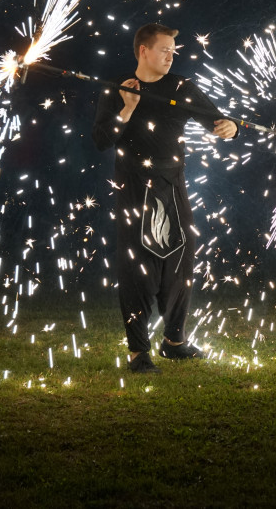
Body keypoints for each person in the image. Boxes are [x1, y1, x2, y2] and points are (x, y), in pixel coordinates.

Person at [92, 24, 237, 374]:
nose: (171, 56)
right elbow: (101, 140)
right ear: (143, 51)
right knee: (137, 268)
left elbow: (215, 119)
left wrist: (227, 126)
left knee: (180, 261)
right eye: (164, 50)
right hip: (133, 188)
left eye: (174, 50)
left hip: (172, 186)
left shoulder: (181, 87)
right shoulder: (119, 89)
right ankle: (138, 351)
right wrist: (127, 108)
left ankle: (174, 341)